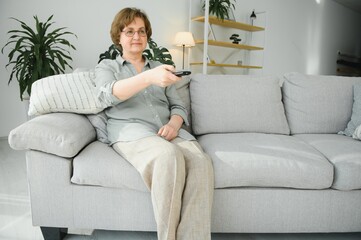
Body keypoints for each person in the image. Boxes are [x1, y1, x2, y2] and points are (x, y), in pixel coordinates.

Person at [94, 7, 214, 240]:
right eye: (129, 32)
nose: (136, 37)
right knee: (168, 157)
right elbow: (109, 94)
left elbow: (178, 106)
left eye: (141, 31)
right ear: (118, 37)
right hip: (132, 133)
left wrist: (174, 125)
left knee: (201, 162)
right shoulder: (107, 67)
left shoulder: (161, 67)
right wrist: (149, 77)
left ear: (147, 36)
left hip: (169, 130)